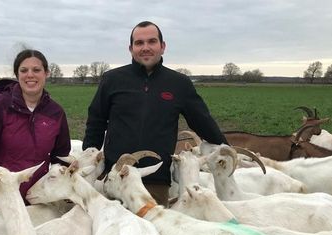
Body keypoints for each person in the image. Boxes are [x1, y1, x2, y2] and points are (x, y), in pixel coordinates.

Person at [83, 21, 228, 206]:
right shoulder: (112, 79)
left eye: (152, 41)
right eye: (139, 43)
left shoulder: (179, 83)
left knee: (153, 231)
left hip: (155, 181)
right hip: (115, 179)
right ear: (131, 48)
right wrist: (89, 160)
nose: (145, 48)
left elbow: (203, 122)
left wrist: (227, 148)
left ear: (163, 46)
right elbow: (96, 121)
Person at [0, 49, 71, 202]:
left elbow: (61, 157)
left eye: (36, 70)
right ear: (17, 74)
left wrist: (62, 186)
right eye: (24, 70)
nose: (30, 75)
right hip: (1, 194)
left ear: (46, 73)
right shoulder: (0, 105)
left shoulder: (56, 113)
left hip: (38, 196)